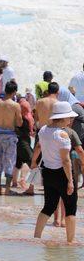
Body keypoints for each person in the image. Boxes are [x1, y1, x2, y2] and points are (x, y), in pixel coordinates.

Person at [33, 102, 78, 244]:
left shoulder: (43, 130)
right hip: (62, 174)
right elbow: (66, 161)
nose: (71, 120)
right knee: (71, 208)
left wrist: (33, 161)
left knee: (49, 206)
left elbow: (39, 147)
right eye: (69, 118)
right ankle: (70, 242)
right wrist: (70, 181)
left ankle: (36, 237)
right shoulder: (63, 134)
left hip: (48, 173)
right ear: (63, 118)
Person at [0, 81, 23, 195]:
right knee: (9, 161)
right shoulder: (15, 105)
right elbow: (19, 123)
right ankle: (7, 189)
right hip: (10, 135)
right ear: (14, 92)